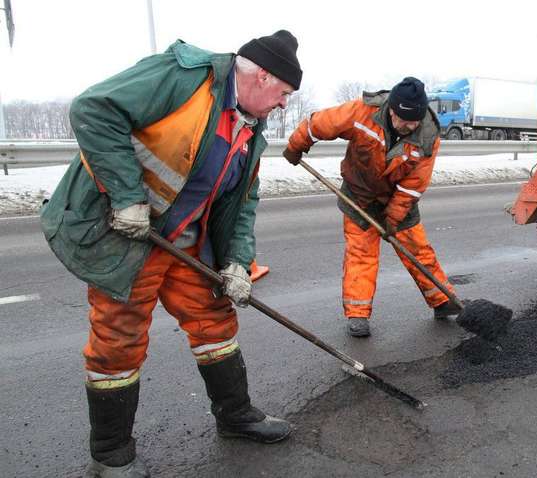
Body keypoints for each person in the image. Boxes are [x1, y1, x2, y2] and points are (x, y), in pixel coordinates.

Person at [40, 30, 302, 477]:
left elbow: (241, 203)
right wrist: (126, 196)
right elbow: (94, 108)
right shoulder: (183, 78)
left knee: (215, 323)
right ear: (261, 76)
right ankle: (111, 453)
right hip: (126, 236)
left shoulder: (248, 129)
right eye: (284, 93)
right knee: (117, 342)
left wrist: (237, 260)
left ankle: (235, 415)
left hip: (183, 241)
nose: (283, 105)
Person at [284, 77, 462, 338]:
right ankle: (358, 314)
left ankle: (443, 299)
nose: (407, 126)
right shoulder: (363, 112)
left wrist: (393, 217)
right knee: (361, 253)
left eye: (413, 121)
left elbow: (414, 184)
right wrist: (296, 146)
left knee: (417, 249)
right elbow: (319, 124)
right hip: (360, 195)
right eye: (402, 119)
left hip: (398, 197)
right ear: (391, 109)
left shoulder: (428, 135)